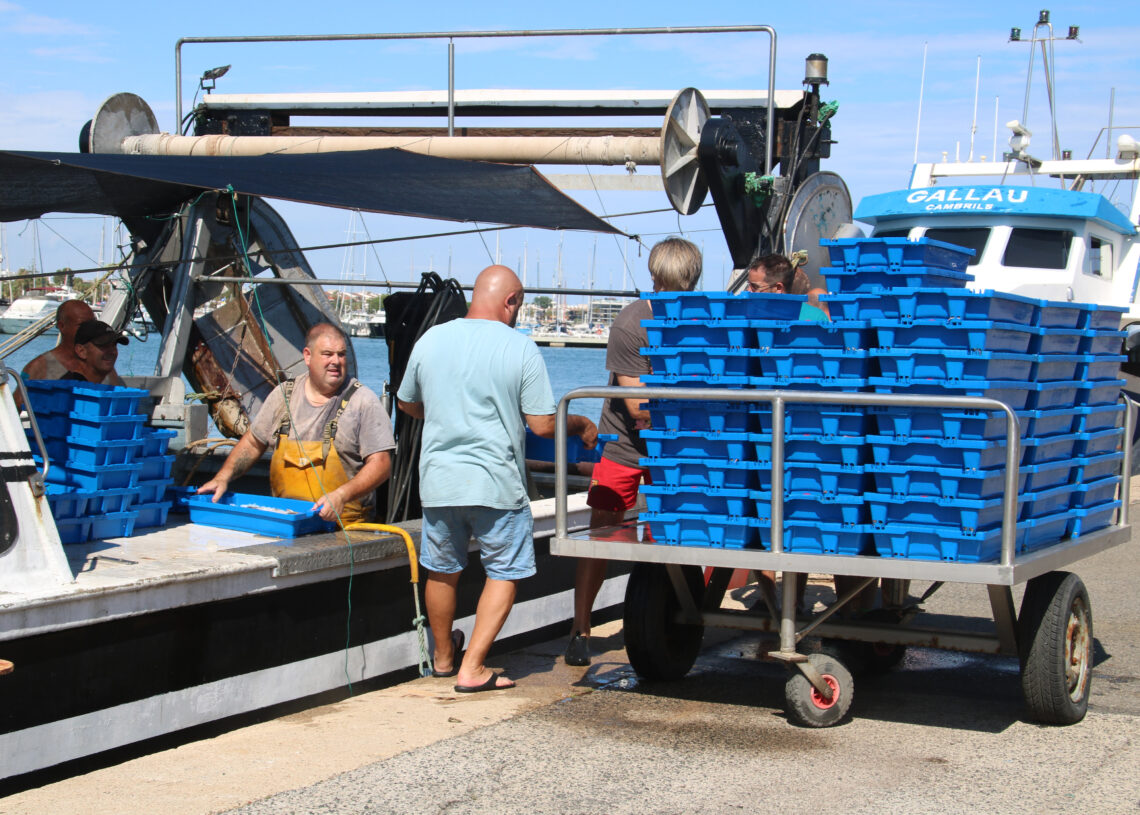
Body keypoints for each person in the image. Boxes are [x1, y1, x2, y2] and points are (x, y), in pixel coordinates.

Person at [397, 265, 597, 692]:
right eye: (519, 307)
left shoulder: (431, 339)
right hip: (496, 483)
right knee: (504, 572)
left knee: (441, 571)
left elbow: (408, 404)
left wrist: (444, 412)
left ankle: (445, 658)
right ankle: (473, 668)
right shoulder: (520, 348)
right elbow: (542, 425)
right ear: (511, 302)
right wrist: (580, 424)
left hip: (440, 481)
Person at [565, 237, 703, 667]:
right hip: (625, 446)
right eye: (669, 286)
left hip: (677, 449)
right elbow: (638, 408)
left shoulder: (701, 321)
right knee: (600, 531)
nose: (673, 294)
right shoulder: (631, 323)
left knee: (671, 533)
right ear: (655, 281)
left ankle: (663, 617)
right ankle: (580, 627)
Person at [199, 322, 394, 525]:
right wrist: (222, 478)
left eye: (341, 354)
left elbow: (381, 464)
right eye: (327, 354)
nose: (336, 361)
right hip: (286, 523)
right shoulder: (283, 395)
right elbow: (252, 443)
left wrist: (342, 495)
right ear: (308, 356)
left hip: (344, 528)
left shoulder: (363, 401)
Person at [22, 303, 125, 385]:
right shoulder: (38, 367)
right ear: (62, 326)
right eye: (82, 325)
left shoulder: (104, 365)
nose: (90, 328)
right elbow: (16, 405)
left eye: (92, 323)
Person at [59, 319, 129, 385]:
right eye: (104, 345)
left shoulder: (92, 385)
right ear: (81, 351)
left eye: (114, 345)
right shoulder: (73, 389)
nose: (112, 352)